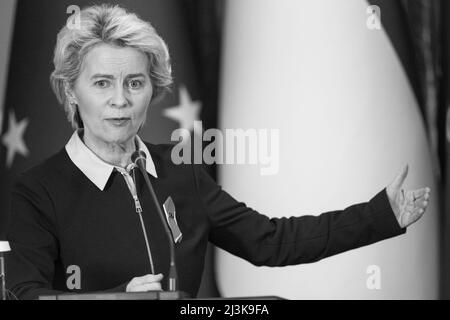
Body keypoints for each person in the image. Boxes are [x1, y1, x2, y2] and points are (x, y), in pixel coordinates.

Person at [5, 4, 431, 300]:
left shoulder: (180, 173)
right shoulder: (36, 192)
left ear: (152, 89)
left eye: (134, 83)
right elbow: (26, 295)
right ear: (70, 91)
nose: (120, 100)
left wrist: (380, 215)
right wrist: (119, 299)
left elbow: (271, 242)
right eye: (102, 83)